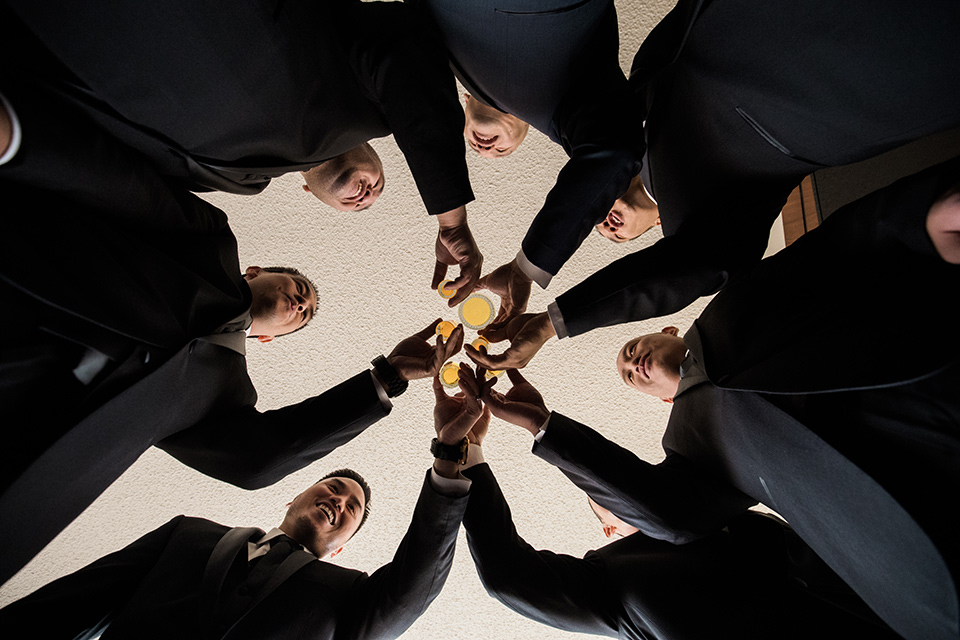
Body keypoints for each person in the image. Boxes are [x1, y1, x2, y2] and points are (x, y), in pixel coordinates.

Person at [472, 158, 960, 639]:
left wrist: (916, 215)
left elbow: (829, 251)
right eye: (627, 376)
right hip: (923, 534)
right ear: (660, 405)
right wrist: (542, 424)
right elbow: (669, 516)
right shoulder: (690, 447)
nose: (632, 364)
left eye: (628, 351)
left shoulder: (729, 307)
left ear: (667, 329)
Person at [0, 85, 467, 585]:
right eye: (299, 288)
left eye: (303, 314)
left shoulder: (220, 400)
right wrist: (20, 143)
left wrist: (390, 373)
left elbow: (259, 461)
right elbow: (122, 188)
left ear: (268, 342)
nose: (299, 303)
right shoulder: (210, 239)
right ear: (253, 271)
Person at [463, 0, 960, 369]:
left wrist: (525, 268)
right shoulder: (703, 224)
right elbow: (684, 272)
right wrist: (553, 323)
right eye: (614, 237)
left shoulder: (631, 107)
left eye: (597, 221)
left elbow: (604, 155)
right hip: (875, 69)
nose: (606, 226)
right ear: (651, 235)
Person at [4, 0, 482, 304]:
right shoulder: (367, 105)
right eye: (379, 186)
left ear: (308, 192)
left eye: (360, 206)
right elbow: (406, 56)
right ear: (379, 148)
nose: (368, 196)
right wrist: (451, 219)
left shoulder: (233, 182)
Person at [0, 370, 488, 639]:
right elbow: (71, 603)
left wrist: (448, 457)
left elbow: (414, 586)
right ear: (294, 495)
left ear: (340, 549)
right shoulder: (185, 534)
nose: (338, 499)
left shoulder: (350, 598)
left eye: (352, 508)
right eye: (332, 487)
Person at [463, 371, 897, 638]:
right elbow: (508, 578)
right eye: (605, 500)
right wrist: (463, 453)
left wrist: (545, 425)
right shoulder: (614, 589)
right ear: (610, 531)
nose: (616, 493)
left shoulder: (714, 510)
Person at [409, 0, 645, 320]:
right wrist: (526, 268)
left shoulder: (441, 56)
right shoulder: (561, 103)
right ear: (526, 127)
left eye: (478, 150)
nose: (486, 149)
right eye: (501, 151)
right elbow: (614, 150)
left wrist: (451, 221)